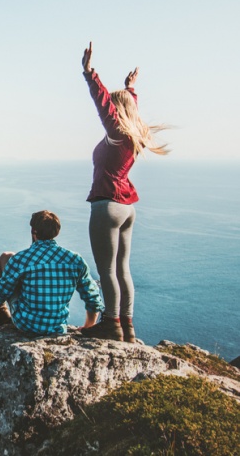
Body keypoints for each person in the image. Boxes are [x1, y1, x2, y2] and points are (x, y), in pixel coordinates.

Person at [79, 42, 169, 342]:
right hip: (128, 208)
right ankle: (127, 326)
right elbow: (125, 107)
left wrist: (89, 72)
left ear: (117, 112)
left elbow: (103, 103)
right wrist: (131, 89)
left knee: (105, 270)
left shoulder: (117, 133)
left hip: (107, 206)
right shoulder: (131, 136)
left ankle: (111, 323)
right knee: (122, 269)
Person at [0, 210, 104, 336]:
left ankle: (0, 312)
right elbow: (93, 297)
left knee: (5, 258)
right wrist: (89, 326)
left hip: (26, 324)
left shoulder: (20, 259)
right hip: (57, 327)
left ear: (33, 231)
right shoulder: (75, 260)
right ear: (57, 232)